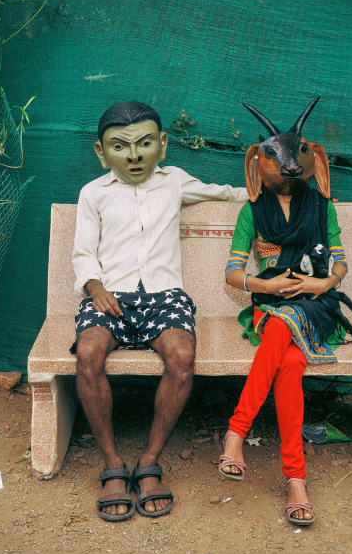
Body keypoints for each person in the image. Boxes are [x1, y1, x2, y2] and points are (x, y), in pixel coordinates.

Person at [72, 101, 247, 521]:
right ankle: (113, 464)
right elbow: (82, 253)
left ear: (162, 145)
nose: (134, 155)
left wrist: (282, 191)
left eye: (145, 143)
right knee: (88, 353)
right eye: (120, 146)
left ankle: (149, 462)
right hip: (108, 295)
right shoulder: (93, 193)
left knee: (182, 357)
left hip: (164, 297)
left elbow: (229, 194)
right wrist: (95, 287)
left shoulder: (175, 183)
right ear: (102, 152)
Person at [218, 101, 348, 527]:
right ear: (258, 163)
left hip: (316, 307)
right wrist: (268, 285)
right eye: (275, 158)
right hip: (271, 306)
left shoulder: (323, 207)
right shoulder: (251, 212)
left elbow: (339, 262)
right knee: (288, 361)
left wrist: (322, 283)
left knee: (281, 328)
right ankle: (296, 480)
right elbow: (234, 274)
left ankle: (236, 433)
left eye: (297, 158)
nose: (288, 169)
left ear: (314, 161)